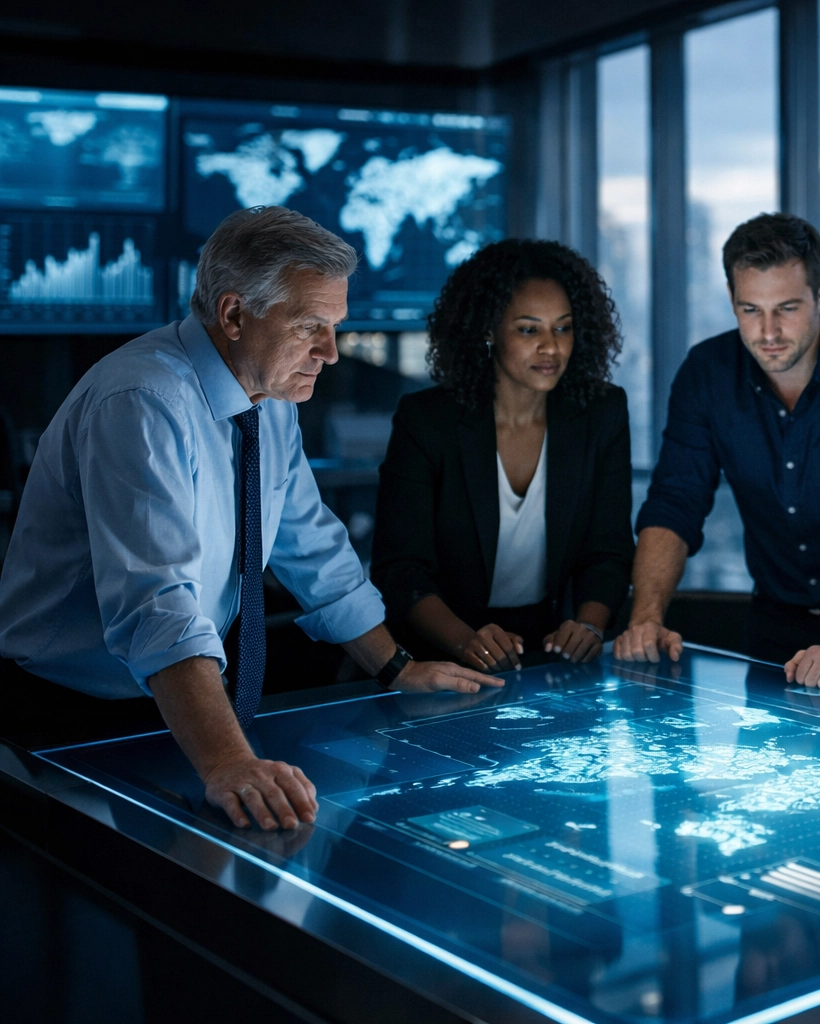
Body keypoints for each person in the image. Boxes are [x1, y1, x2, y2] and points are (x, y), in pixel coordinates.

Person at [0, 206, 501, 832]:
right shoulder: (143, 401)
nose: (331, 352)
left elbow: (307, 541)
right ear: (234, 315)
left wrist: (396, 666)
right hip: (71, 717)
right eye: (310, 327)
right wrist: (230, 762)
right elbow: (158, 604)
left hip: (178, 701)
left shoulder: (266, 393)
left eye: (335, 327)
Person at [613, 213, 820, 696]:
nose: (768, 331)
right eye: (750, 310)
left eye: (787, 308)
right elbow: (674, 501)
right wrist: (645, 620)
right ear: (731, 301)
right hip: (777, 625)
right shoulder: (706, 373)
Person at [371, 239, 634, 670]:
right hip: (442, 654)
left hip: (551, 653)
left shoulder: (601, 413)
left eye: (563, 327)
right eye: (529, 330)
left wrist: (589, 626)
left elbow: (609, 550)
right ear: (488, 330)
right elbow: (401, 570)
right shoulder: (427, 421)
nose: (551, 347)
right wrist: (464, 642)